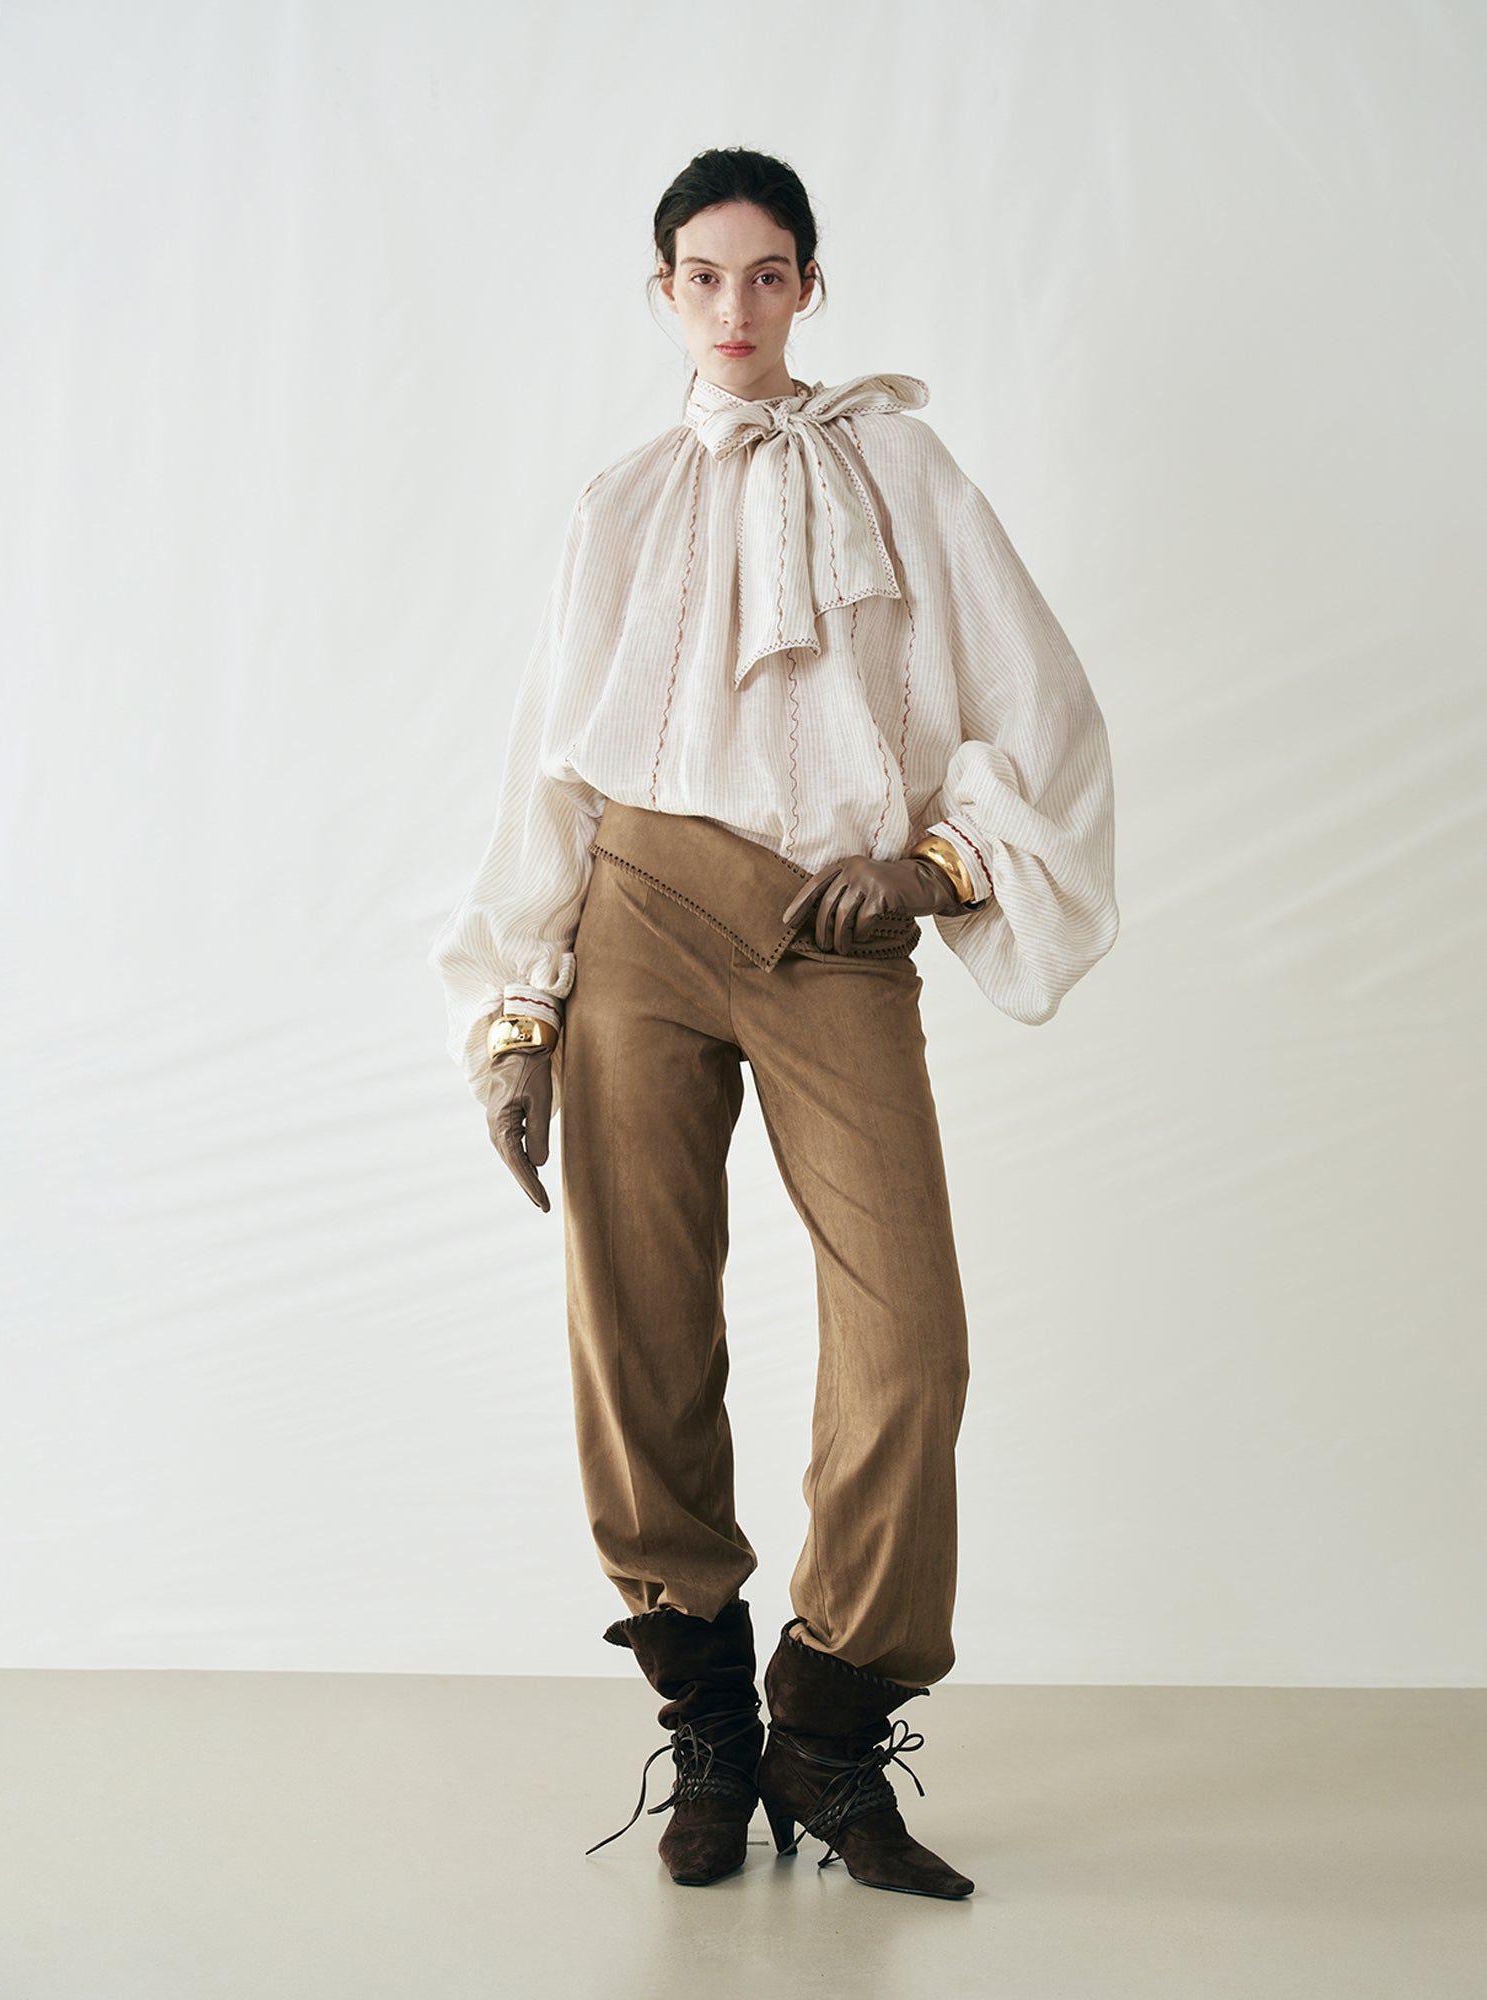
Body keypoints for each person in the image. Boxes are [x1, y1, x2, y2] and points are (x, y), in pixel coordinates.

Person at [428, 146, 1118, 1901]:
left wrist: (937, 865)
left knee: (913, 1338)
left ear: (810, 285)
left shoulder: (906, 469)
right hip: (641, 914)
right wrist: (519, 1013)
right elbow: (552, 764)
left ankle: (827, 1720)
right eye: (703, 274)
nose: (734, 305)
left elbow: (1038, 702)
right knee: (638, 1324)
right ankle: (713, 1729)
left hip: (833, 928)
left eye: (767, 272)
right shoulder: (618, 503)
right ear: (663, 292)